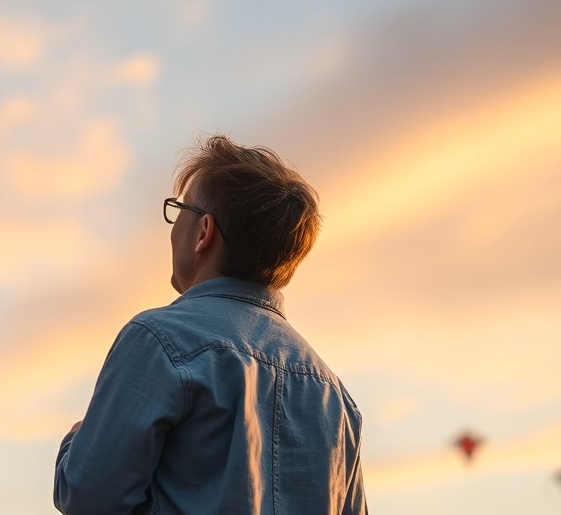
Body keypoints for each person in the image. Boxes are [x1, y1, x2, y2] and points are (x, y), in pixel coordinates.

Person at [54, 136, 366, 514]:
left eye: (179, 210)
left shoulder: (159, 340)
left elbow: (88, 497)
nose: (172, 229)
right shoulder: (336, 398)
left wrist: (79, 439)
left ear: (204, 232)